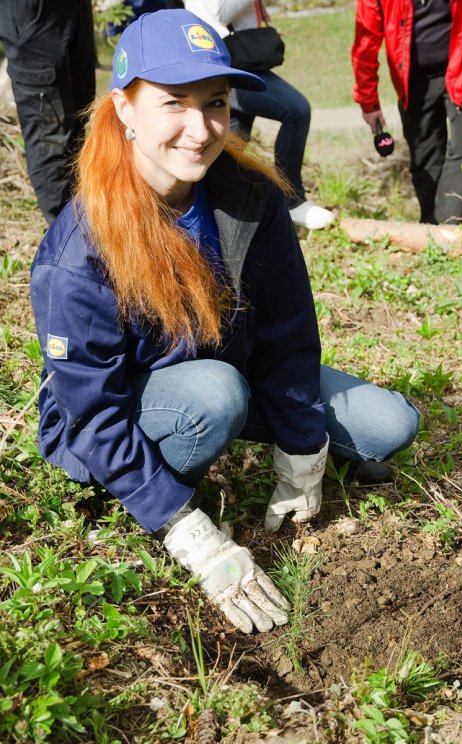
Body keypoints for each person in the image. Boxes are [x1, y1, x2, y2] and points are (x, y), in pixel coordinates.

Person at [30, 9, 420, 635]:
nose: (200, 128)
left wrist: (301, 448)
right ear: (125, 109)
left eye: (214, 103)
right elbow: (92, 410)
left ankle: (248, 432)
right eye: (173, 103)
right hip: (125, 408)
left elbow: (288, 332)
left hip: (227, 372)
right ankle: (154, 495)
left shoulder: (250, 194)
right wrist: (194, 536)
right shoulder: (81, 247)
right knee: (213, 395)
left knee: (388, 424)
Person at [184, 0, 335, 230]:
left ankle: (208, 207)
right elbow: (219, 11)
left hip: (243, 58)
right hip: (223, 61)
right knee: (296, 110)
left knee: (232, 140)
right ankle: (292, 200)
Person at [352, 0, 462, 225]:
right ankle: (432, 230)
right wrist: (369, 101)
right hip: (413, 82)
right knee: (425, 161)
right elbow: (365, 41)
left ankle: (446, 230)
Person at [0, 0, 96, 225]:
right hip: (32, 15)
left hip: (69, 9)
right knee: (50, 136)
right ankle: (66, 237)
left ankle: (85, 221)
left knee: (80, 110)